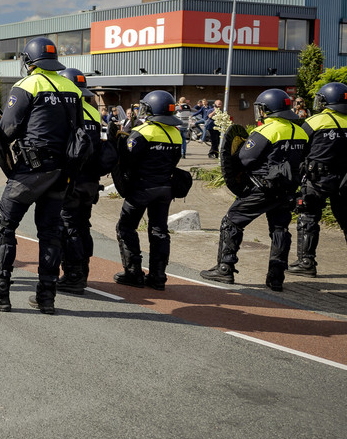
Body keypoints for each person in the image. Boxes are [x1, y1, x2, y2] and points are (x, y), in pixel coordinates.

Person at [0, 37, 81, 314]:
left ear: (29, 61)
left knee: (2, 225)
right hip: (61, 170)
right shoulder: (72, 88)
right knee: (50, 232)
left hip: (31, 171)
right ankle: (46, 297)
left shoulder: (27, 85)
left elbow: (7, 129)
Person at [201, 89, 308, 291]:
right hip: (286, 190)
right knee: (280, 229)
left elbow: (244, 158)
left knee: (231, 221)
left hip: (261, 189)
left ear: (267, 109)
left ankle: (225, 268)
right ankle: (276, 278)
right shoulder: (300, 131)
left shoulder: (266, 131)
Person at [113, 91, 184, 290]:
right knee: (159, 230)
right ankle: (158, 276)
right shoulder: (175, 133)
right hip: (165, 188)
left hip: (142, 188)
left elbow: (127, 158)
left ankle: (133, 273)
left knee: (126, 227)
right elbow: (176, 160)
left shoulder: (144, 132)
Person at [56, 68, 112, 294]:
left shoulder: (66, 111)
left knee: (69, 227)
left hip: (72, 180)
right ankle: (83, 270)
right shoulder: (92, 111)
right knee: (82, 225)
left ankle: (73, 275)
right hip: (90, 182)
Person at [290, 82, 347, 276]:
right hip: (345, 180)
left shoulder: (315, 121)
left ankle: (306, 262)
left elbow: (299, 147)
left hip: (318, 179)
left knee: (308, 216)